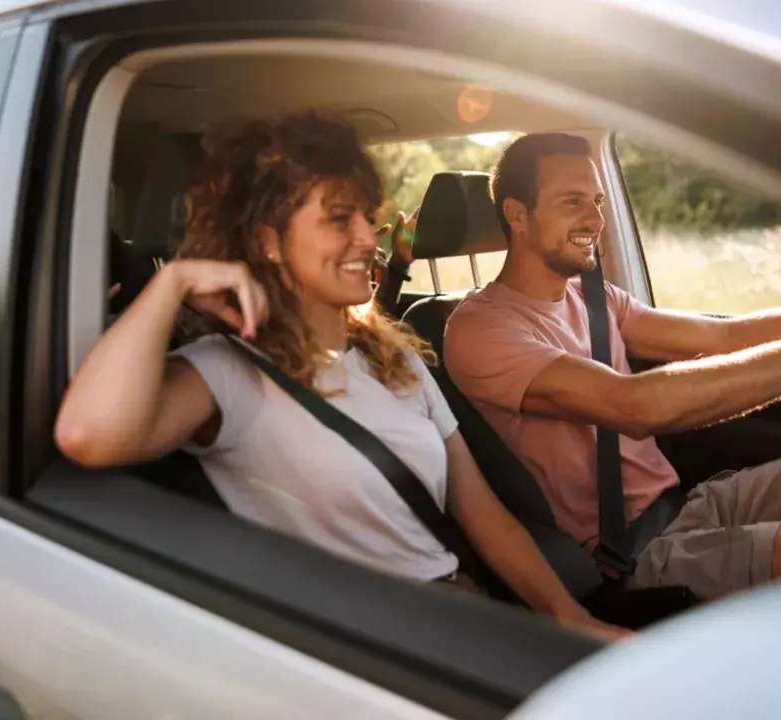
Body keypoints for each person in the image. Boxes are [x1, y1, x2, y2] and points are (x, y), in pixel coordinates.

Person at [55, 114, 628, 641]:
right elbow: (88, 435)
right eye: (338, 219)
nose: (366, 236)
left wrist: (572, 620)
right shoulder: (228, 372)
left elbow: (486, 518)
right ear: (268, 243)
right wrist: (171, 282)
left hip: (461, 617)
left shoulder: (395, 358)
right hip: (373, 652)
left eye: (364, 215)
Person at [443, 133, 781, 600]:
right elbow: (632, 406)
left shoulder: (594, 298)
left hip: (686, 505)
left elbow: (722, 337)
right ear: (517, 214)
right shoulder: (480, 330)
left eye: (598, 201)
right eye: (572, 201)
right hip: (626, 553)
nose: (594, 220)